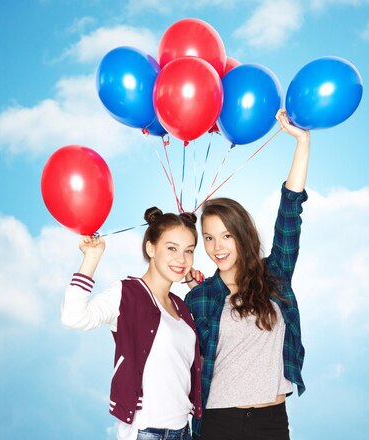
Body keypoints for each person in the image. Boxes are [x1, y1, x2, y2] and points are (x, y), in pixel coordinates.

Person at [184, 109, 310, 440]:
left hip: (271, 420)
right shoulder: (198, 297)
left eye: (226, 236)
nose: (217, 247)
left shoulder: (275, 276)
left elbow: (289, 213)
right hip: (218, 422)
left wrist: (302, 143)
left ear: (242, 235)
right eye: (209, 238)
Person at [61, 208, 203, 440]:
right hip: (147, 432)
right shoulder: (127, 294)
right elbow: (73, 316)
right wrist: (92, 258)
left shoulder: (182, 307)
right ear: (150, 248)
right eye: (172, 248)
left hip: (184, 431)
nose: (182, 259)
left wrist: (199, 290)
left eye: (189, 251)